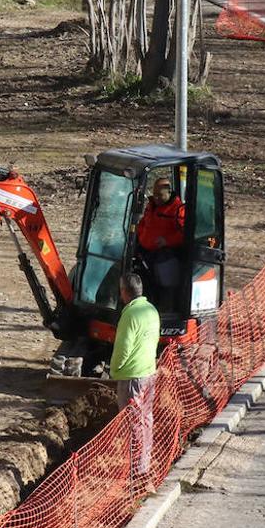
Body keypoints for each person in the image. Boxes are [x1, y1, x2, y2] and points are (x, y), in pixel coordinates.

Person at [111, 272, 160, 491]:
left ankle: (135, 470)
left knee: (132, 424)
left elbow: (123, 348)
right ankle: (144, 462)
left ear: (124, 292)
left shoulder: (130, 314)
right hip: (149, 372)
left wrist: (115, 370)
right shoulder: (151, 310)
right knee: (145, 419)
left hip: (131, 376)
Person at [136, 177, 185, 299]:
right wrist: (138, 234)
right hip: (144, 250)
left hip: (163, 254)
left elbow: (184, 234)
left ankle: (165, 303)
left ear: (169, 192)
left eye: (160, 195)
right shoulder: (151, 205)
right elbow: (143, 222)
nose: (156, 197)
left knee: (162, 279)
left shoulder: (178, 209)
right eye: (155, 194)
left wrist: (167, 241)